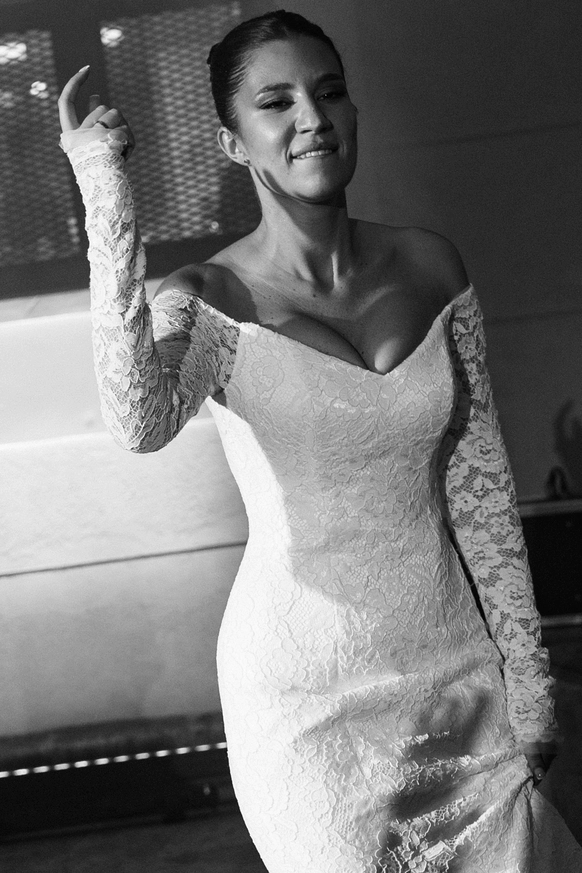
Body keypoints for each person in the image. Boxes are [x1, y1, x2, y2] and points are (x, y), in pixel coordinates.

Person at [58, 10, 581, 872]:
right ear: (233, 143)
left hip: (458, 683)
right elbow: (137, 422)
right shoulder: (209, 298)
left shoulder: (433, 267)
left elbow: (480, 489)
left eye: (329, 91)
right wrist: (105, 193)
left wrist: (529, 684)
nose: (313, 117)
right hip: (304, 705)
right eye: (277, 102)